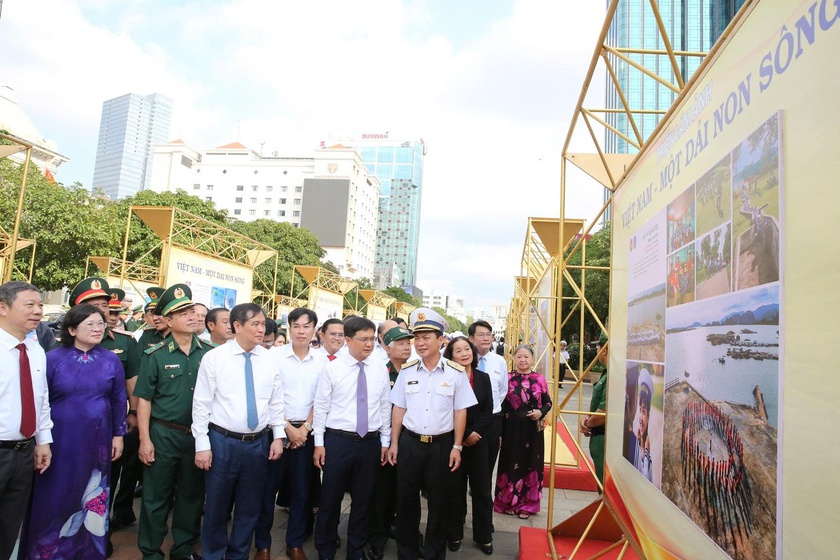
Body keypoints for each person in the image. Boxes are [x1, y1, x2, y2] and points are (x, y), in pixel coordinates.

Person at [18, 304, 127, 559]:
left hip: (97, 441)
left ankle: (86, 552)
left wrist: (118, 434)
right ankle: (46, 551)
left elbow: (119, 399)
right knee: (54, 494)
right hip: (59, 440)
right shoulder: (53, 358)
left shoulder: (111, 360)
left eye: (100, 324)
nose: (97, 328)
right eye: (90, 324)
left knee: (90, 495)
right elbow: (39, 400)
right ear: (72, 329)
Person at [193, 303, 286, 560]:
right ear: (237, 326)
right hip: (223, 442)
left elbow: (276, 401)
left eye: (263, 323)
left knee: (249, 506)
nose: (262, 328)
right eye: (255, 324)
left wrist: (278, 436)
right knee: (216, 506)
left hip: (258, 444)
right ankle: (213, 554)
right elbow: (201, 404)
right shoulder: (215, 358)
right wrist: (202, 445)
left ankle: (238, 555)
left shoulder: (269, 358)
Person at [388, 308, 477, 560]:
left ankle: (434, 553)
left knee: (439, 504)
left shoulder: (454, 372)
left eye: (427, 337)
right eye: (417, 338)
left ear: (441, 340)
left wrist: (457, 447)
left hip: (441, 446)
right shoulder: (407, 370)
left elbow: (460, 412)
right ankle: (406, 553)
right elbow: (399, 408)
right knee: (406, 502)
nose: (420, 343)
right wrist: (394, 443)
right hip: (410, 444)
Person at [133, 284, 210, 560]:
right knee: (156, 499)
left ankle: (183, 549)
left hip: (197, 437)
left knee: (191, 497)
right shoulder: (155, 355)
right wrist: (145, 440)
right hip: (163, 434)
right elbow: (144, 400)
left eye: (191, 310)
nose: (190, 316)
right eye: (181, 312)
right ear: (167, 321)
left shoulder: (208, 354)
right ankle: (151, 551)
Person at [68, 278, 142, 540]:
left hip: (109, 425)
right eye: (93, 305)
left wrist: (132, 414)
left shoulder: (124, 342)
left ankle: (99, 534)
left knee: (106, 478)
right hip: (71, 428)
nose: (102, 311)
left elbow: (132, 380)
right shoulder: (60, 348)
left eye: (104, 305)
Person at [313, 316, 391, 560]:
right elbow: (321, 407)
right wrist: (318, 443)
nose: (369, 344)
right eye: (363, 339)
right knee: (330, 499)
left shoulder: (378, 366)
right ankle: (325, 548)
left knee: (363, 500)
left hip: (370, 442)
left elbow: (384, 406)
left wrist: (385, 441)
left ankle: (355, 550)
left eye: (372, 339)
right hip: (338, 441)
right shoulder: (333, 367)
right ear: (348, 340)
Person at [255, 308, 326, 560]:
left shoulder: (322, 360)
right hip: (276, 432)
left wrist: (304, 429)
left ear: (315, 329)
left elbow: (323, 399)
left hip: (305, 434)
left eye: (307, 327)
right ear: (289, 328)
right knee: (267, 489)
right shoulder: (273, 356)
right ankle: (262, 544)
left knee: (301, 491)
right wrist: (286, 429)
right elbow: (268, 395)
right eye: (296, 326)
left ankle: (294, 542)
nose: (301, 331)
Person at [0, 282, 53, 559]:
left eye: (41, 305)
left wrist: (43, 441)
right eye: (30, 305)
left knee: (9, 526)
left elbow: (40, 399)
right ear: (3, 308)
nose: (38, 311)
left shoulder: (35, 350)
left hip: (24, 453)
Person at [442, 337, 494, 555]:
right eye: (458, 351)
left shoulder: (483, 378)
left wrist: (474, 433)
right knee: (454, 490)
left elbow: (488, 409)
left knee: (482, 490)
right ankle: (454, 533)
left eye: (466, 349)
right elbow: (444, 409)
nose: (464, 353)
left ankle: (484, 536)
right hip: (454, 443)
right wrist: (460, 437)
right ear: (451, 356)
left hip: (478, 442)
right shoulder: (445, 378)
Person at [368, 325, 413, 560]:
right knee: (382, 492)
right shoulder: (379, 371)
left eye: (409, 343)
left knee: (406, 492)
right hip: (384, 439)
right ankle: (377, 538)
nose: (407, 347)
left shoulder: (416, 371)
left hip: (412, 440)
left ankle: (407, 535)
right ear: (387, 347)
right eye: (401, 343)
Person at [493, 345, 552, 519]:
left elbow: (548, 403)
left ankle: (528, 505)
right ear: (513, 359)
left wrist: (540, 413)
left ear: (532, 359)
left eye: (526, 357)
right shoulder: (508, 378)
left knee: (531, 464)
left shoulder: (539, 379)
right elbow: (500, 405)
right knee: (509, 462)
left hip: (532, 430)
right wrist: (499, 432)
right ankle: (507, 501)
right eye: (519, 357)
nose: (523, 360)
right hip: (511, 429)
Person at [468, 321, 508, 481]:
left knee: (488, 460)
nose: (486, 338)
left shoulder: (499, 361)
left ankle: (480, 487)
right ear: (471, 338)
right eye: (481, 335)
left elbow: (503, 391)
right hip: (468, 418)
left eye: (488, 335)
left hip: (492, 420)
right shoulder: (464, 359)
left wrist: (489, 409)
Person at [581, 332, 608, 489]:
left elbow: (604, 412)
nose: (597, 351)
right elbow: (596, 402)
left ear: (604, 350)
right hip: (597, 434)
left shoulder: (612, 375)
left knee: (604, 485)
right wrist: (585, 418)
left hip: (603, 436)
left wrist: (588, 423)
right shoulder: (605, 372)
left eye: (598, 347)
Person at [631, 368, 653, 482]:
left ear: (649, 416)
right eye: (640, 410)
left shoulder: (648, 448)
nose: (640, 418)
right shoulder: (637, 442)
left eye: (644, 412)